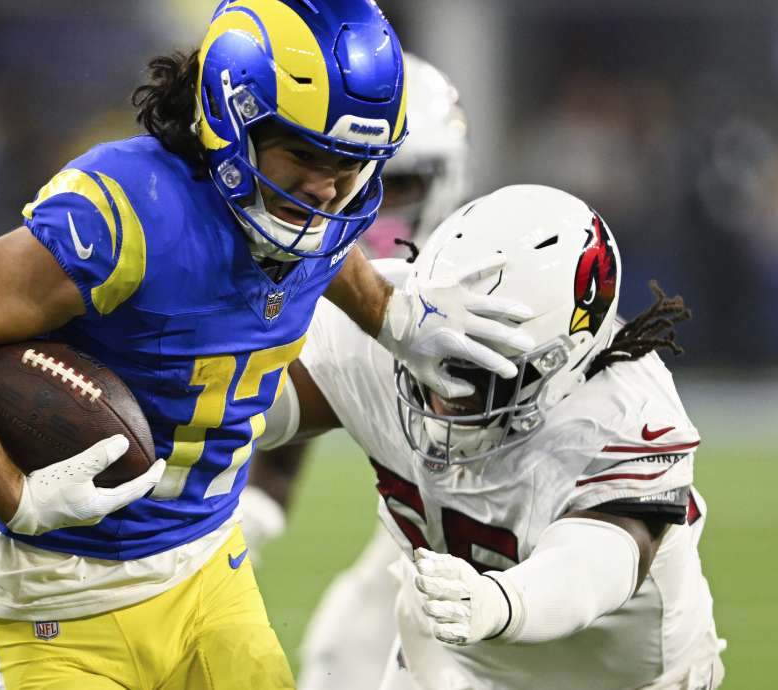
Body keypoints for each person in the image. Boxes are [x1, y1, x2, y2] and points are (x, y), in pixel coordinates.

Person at [0, 2, 533, 689]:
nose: (328, 189)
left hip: (209, 573)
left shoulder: (313, 210)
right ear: (232, 119)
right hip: (60, 596)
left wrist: (394, 317)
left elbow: (329, 243)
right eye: (305, 154)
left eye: (353, 163)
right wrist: (11, 492)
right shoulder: (132, 209)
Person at [256, 185, 726, 690]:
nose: (446, 388)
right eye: (442, 352)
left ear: (562, 363)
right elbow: (244, 402)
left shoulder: (620, 411)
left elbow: (601, 561)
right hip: (448, 662)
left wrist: (501, 605)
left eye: (482, 367)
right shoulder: (387, 331)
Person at [240, 52, 472, 690]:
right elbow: (297, 386)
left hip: (511, 534)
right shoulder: (290, 253)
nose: (369, 200)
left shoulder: (470, 280)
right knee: (343, 656)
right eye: (349, 170)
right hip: (425, 530)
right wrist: (248, 514)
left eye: (396, 184)